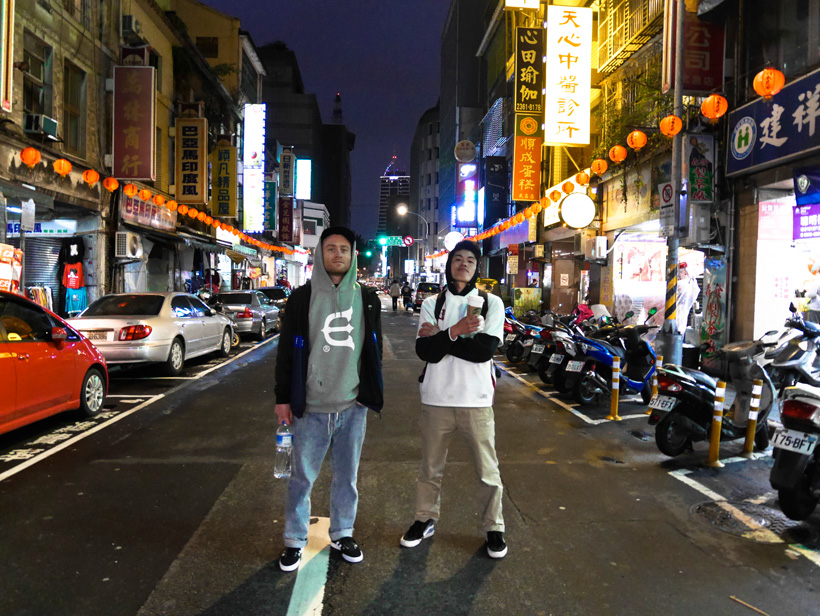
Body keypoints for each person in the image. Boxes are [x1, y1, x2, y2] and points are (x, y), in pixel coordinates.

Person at [274, 226, 384, 572]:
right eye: (331, 248)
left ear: (353, 257)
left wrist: (370, 391)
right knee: (302, 478)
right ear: (320, 254)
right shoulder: (302, 298)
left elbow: (374, 350)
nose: (338, 254)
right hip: (310, 407)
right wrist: (282, 398)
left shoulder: (367, 298)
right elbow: (286, 352)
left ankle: (343, 533)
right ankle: (295, 539)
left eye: (345, 249)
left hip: (352, 405)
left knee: (347, 477)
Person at [400, 240, 508, 559]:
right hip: (436, 398)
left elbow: (484, 351)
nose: (463, 264)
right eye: (457, 258)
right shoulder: (432, 303)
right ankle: (424, 519)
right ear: (449, 265)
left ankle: (494, 527)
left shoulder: (491, 303)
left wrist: (443, 337)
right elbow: (425, 352)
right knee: (430, 467)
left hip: (477, 399)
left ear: (477, 267)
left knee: (487, 470)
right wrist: (456, 331)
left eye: (470, 260)